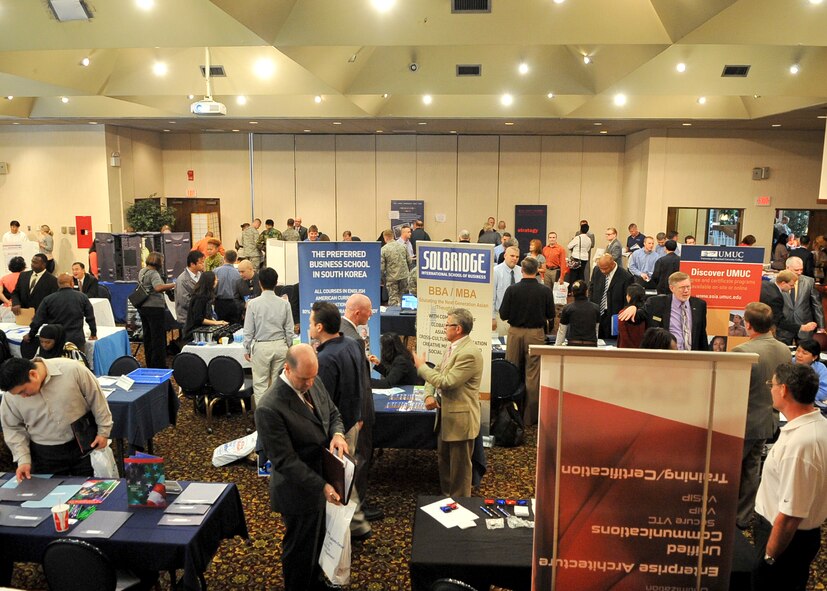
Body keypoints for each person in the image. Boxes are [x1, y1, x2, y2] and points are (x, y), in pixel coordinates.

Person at [254, 344, 349, 591]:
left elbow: (333, 413)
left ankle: (315, 581)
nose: (310, 383)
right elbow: (285, 461)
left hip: (322, 480)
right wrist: (322, 486)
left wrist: (338, 434)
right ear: (287, 368)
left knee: (318, 541)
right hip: (297, 489)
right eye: (304, 379)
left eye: (313, 377)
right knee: (299, 550)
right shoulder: (269, 407)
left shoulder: (312, 381)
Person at [752, 362, 827, 590]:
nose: (770, 389)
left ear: (783, 389)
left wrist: (769, 557)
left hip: (784, 540)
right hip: (794, 538)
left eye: (771, 384)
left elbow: (790, 515)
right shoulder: (817, 426)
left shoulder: (801, 445)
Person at [311, 301, 372, 539]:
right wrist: (358, 417)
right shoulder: (352, 344)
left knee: (339, 481)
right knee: (347, 476)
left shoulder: (325, 359)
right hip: (352, 425)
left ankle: (351, 528)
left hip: (337, 434)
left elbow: (322, 403)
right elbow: (360, 383)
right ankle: (356, 523)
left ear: (319, 327)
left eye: (311, 323)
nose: (309, 327)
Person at [0, 356, 112, 480]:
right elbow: (12, 428)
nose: (23, 397)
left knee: (89, 491)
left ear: (33, 374)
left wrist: (103, 432)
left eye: (23, 391)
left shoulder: (72, 369)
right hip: (44, 454)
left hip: (82, 445)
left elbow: (97, 399)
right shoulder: (10, 397)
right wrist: (23, 459)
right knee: (51, 496)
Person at [732, 302, 792, 530]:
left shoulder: (742, 351)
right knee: (752, 471)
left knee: (731, 471)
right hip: (768, 421)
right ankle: (744, 517)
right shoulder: (784, 349)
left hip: (742, 423)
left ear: (747, 324)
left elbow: (733, 392)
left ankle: (725, 517)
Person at [413, 308, 483, 498]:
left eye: (446, 325)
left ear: (458, 328)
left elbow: (446, 382)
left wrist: (421, 367)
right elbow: (436, 373)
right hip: (445, 417)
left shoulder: (469, 353)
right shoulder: (452, 347)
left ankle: (460, 508)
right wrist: (428, 395)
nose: (444, 328)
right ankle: (447, 501)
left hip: (461, 421)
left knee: (459, 472)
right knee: (444, 464)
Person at [339, 293, 382, 523]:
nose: (372, 313)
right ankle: (359, 507)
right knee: (361, 457)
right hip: (358, 411)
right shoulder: (354, 338)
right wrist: (361, 414)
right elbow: (358, 382)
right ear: (357, 312)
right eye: (369, 309)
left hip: (347, 411)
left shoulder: (340, 331)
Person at [499, 257, 555, 426]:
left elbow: (503, 314)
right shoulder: (545, 291)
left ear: (522, 270)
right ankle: (530, 417)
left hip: (515, 333)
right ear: (537, 270)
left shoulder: (512, 289)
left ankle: (509, 414)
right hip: (536, 334)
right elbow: (551, 314)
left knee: (511, 372)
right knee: (533, 375)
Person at [243, 267, 294, 406]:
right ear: (276, 282)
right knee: (278, 384)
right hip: (280, 345)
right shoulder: (285, 303)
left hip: (261, 346)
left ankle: (263, 419)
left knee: (260, 385)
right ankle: (278, 417)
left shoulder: (252, 304)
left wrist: (246, 348)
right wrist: (289, 346)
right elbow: (289, 329)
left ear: (259, 283)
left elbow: (248, 330)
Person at [621, 271, 709, 351]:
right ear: (672, 288)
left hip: (691, 357)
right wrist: (633, 307)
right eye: (682, 288)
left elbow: (702, 335)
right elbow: (637, 318)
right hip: (665, 356)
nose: (686, 291)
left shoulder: (700, 305)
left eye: (688, 287)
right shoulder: (656, 303)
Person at [27, 273, 96, 350]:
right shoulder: (82, 297)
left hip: (55, 340)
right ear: (72, 283)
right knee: (78, 361)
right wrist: (93, 333)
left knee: (55, 362)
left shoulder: (48, 299)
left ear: (58, 284)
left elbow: (38, 320)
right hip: (76, 340)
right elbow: (90, 317)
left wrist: (30, 335)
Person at [137, 252, 175, 368]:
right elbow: (158, 287)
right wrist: (173, 285)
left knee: (148, 336)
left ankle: (150, 362)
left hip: (143, 306)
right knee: (158, 337)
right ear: (158, 262)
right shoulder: (154, 274)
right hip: (155, 307)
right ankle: (159, 364)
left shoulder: (142, 271)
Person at [760, 270, 818, 346]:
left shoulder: (765, 284)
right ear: (783, 283)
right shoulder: (776, 297)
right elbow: (779, 320)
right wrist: (802, 327)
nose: (793, 287)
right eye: (791, 285)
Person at [589, 254, 634, 339]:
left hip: (613, 315)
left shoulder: (626, 277)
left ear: (612, 264)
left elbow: (626, 301)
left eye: (605, 268)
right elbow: (592, 288)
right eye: (601, 268)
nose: (602, 271)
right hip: (597, 312)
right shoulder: (597, 270)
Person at [782, 256, 824, 342]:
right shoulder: (776, 282)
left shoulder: (809, 282)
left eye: (801, 269)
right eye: (796, 270)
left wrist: (821, 326)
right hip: (784, 326)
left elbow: (817, 305)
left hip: (804, 325)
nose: (799, 272)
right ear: (787, 268)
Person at [184, 271, 228, 340]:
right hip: (195, 333)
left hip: (203, 330)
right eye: (216, 279)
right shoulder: (200, 297)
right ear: (210, 281)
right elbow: (198, 318)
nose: (217, 281)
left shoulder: (207, 296)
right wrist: (216, 323)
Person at [555, 280, 599, 347]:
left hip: (573, 343)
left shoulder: (567, 308)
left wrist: (557, 346)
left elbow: (562, 331)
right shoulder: (596, 308)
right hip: (591, 344)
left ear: (572, 293)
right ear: (586, 292)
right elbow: (596, 329)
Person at [492, 246, 521, 337]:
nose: (515, 259)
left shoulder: (521, 271)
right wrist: (492, 318)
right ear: (505, 255)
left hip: (518, 317)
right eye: (512, 256)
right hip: (500, 317)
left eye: (517, 257)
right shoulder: (495, 271)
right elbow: (492, 297)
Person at [174, 250, 204, 332]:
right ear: (192, 264)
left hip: (199, 316)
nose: (203, 265)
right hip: (187, 318)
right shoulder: (182, 280)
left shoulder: (201, 275)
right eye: (201, 263)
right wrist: (200, 306)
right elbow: (184, 301)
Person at [792, 339, 827, 410]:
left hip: (810, 403)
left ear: (814, 357)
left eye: (804, 353)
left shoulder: (820, 368)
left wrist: (804, 398)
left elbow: (823, 390)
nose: (799, 355)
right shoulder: (789, 363)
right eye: (798, 351)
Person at [380, 228, 411, 306]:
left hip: (392, 278)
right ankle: (404, 316)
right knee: (404, 298)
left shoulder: (384, 249)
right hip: (404, 276)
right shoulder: (403, 246)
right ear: (393, 236)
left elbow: (381, 267)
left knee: (393, 298)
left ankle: (394, 315)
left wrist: (382, 279)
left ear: (385, 238)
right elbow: (409, 261)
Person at [213, 250, 242, 324]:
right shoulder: (239, 273)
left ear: (224, 258)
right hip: (234, 303)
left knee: (220, 326)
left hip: (219, 303)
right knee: (235, 327)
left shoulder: (215, 271)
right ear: (236, 259)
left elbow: (213, 288)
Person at [617, 283, 647, 348]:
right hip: (643, 348)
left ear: (629, 297)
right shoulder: (647, 312)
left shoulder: (623, 313)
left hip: (625, 350)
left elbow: (624, 336)